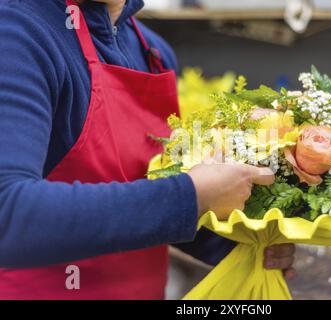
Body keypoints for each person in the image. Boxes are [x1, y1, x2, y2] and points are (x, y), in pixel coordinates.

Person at [0, 0, 296, 299]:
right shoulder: (17, 33)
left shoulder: (152, 51)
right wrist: (190, 196)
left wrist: (243, 243)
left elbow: (147, 202)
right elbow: (7, 214)